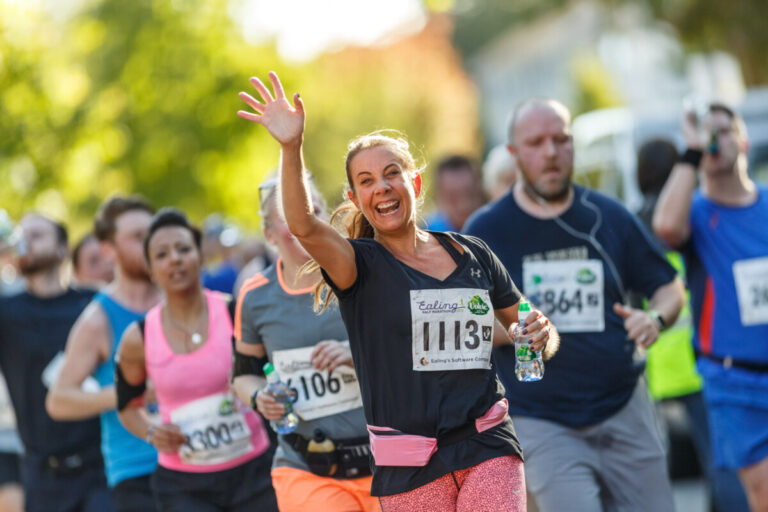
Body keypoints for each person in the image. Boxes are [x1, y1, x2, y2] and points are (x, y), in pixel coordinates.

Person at [237, 71, 557, 511]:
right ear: (355, 197)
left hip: (487, 441)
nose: (382, 187)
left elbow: (530, 329)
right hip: (409, 462)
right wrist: (291, 148)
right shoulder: (358, 265)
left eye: (392, 174)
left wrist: (541, 334)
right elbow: (304, 226)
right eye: (366, 181)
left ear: (416, 184)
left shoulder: (474, 254)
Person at [463, 98, 686, 512]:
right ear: (513, 154)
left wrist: (655, 317)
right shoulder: (485, 231)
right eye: (536, 142)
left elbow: (670, 287)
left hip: (624, 406)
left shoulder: (607, 215)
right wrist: (516, 327)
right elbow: (468, 324)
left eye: (561, 140)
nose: (550, 152)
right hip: (542, 419)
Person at [232, 177, 379, 512]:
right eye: (287, 215)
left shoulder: (365, 271)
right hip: (308, 468)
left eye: (310, 208)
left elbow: (408, 351)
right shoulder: (255, 297)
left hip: (390, 460)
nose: (300, 218)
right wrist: (260, 397)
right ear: (269, 234)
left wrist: (355, 356)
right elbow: (242, 375)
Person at [116, 208, 277, 511]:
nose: (175, 259)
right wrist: (152, 432)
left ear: (201, 257)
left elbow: (270, 372)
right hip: (183, 488)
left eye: (184, 249)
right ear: (150, 268)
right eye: (162, 254)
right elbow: (127, 407)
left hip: (255, 474)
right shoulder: (138, 338)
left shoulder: (236, 314)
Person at [654, 102, 768, 512]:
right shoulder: (697, 213)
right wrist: (691, 151)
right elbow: (665, 227)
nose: (715, 140)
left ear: (744, 140)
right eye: (707, 134)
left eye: (723, 131)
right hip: (734, 381)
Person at [636, 139, 749, 511]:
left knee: (676, 461)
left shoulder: (635, 222)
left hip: (657, 363)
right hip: (695, 356)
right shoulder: (684, 217)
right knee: (719, 459)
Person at [46, 196, 162, 511]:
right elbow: (59, 400)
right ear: (108, 250)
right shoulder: (98, 320)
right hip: (138, 473)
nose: (149, 244)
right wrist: (130, 391)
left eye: (152, 234)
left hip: (205, 460)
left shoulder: (181, 300)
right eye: (137, 237)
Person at [0, 213, 111, 512]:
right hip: (41, 475)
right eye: (21, 237)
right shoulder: (6, 312)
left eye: (37, 236)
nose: (26, 243)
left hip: (99, 468)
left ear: (63, 249)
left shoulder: (93, 305)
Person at [422, 155, 485, 232]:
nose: (463, 206)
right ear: (438, 197)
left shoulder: (494, 228)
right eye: (452, 198)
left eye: (470, 195)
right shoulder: (424, 235)